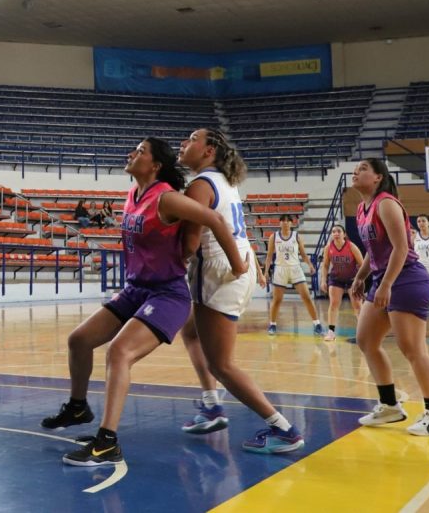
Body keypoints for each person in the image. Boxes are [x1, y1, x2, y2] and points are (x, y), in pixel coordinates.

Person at [44, 137, 246, 466]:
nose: (131, 154)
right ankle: (78, 407)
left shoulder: (167, 198)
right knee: (79, 340)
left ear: (155, 165)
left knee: (119, 352)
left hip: (167, 294)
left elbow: (216, 220)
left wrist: (238, 265)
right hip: (136, 288)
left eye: (140, 151)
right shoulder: (132, 194)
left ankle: (107, 442)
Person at [174, 129, 304, 454]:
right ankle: (211, 404)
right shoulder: (224, 181)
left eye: (191, 139)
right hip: (237, 264)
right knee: (190, 331)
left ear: (209, 151)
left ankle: (283, 428)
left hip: (220, 271)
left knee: (222, 364)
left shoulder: (200, 185)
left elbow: (190, 244)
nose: (183, 143)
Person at [350, 158, 429, 436]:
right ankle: (390, 406)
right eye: (356, 169)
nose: (356, 172)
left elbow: (401, 248)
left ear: (378, 177)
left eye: (363, 169)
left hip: (406, 278)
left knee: (412, 348)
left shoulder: (386, 203)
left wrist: (386, 285)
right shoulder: (362, 208)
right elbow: (374, 250)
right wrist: (360, 276)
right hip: (384, 278)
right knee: (366, 340)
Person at [263, 215, 322, 336]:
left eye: (288, 221)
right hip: (280, 269)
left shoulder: (297, 236)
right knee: (277, 300)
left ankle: (317, 324)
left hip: (295, 268)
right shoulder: (274, 237)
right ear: (279, 223)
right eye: (283, 220)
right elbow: (269, 256)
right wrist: (266, 272)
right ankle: (272, 324)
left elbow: (303, 254)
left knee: (306, 297)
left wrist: (310, 265)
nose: (285, 223)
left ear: (291, 223)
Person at [320, 225, 364, 342]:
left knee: (357, 306)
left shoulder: (351, 246)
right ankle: (331, 333)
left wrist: (360, 280)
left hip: (352, 279)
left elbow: (362, 264)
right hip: (336, 279)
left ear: (344, 234)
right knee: (333, 304)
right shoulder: (328, 248)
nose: (336, 233)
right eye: (333, 231)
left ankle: (363, 333)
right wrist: (323, 280)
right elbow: (325, 265)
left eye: (338, 231)